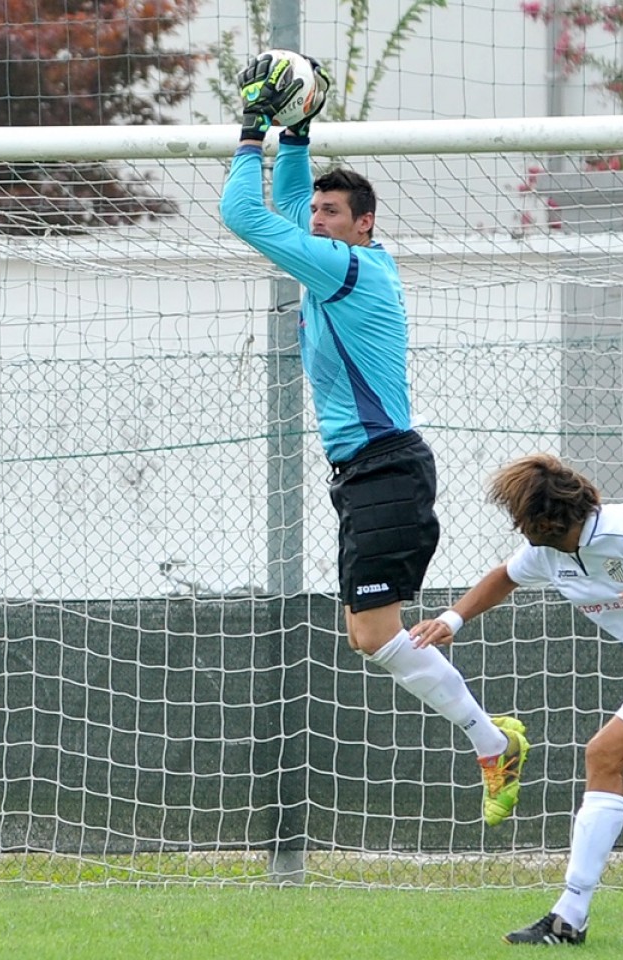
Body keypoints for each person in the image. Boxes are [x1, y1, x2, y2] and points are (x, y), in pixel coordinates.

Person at [219, 52, 528, 827]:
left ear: (366, 225)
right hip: (367, 473)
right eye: (317, 213)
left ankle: (493, 742)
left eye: (332, 214)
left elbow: (242, 217)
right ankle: (493, 741)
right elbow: (285, 210)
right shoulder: (336, 262)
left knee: (371, 633)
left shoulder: (352, 272)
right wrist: (298, 135)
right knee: (370, 634)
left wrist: (253, 126)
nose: (317, 222)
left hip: (385, 468)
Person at [410, 454, 623, 944]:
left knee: (603, 753)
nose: (515, 526)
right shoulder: (548, 554)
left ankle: (568, 916)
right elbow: (503, 576)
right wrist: (451, 621)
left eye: (519, 516)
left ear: (546, 517)